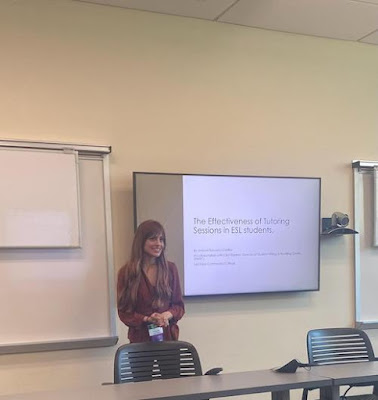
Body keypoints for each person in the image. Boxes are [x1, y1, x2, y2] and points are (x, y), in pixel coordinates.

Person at [117, 220, 185, 343]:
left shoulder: (170, 269)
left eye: (161, 239)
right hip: (140, 339)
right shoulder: (126, 272)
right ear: (141, 242)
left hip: (167, 338)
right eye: (153, 239)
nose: (159, 244)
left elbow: (179, 306)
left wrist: (166, 315)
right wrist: (147, 319)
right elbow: (124, 312)